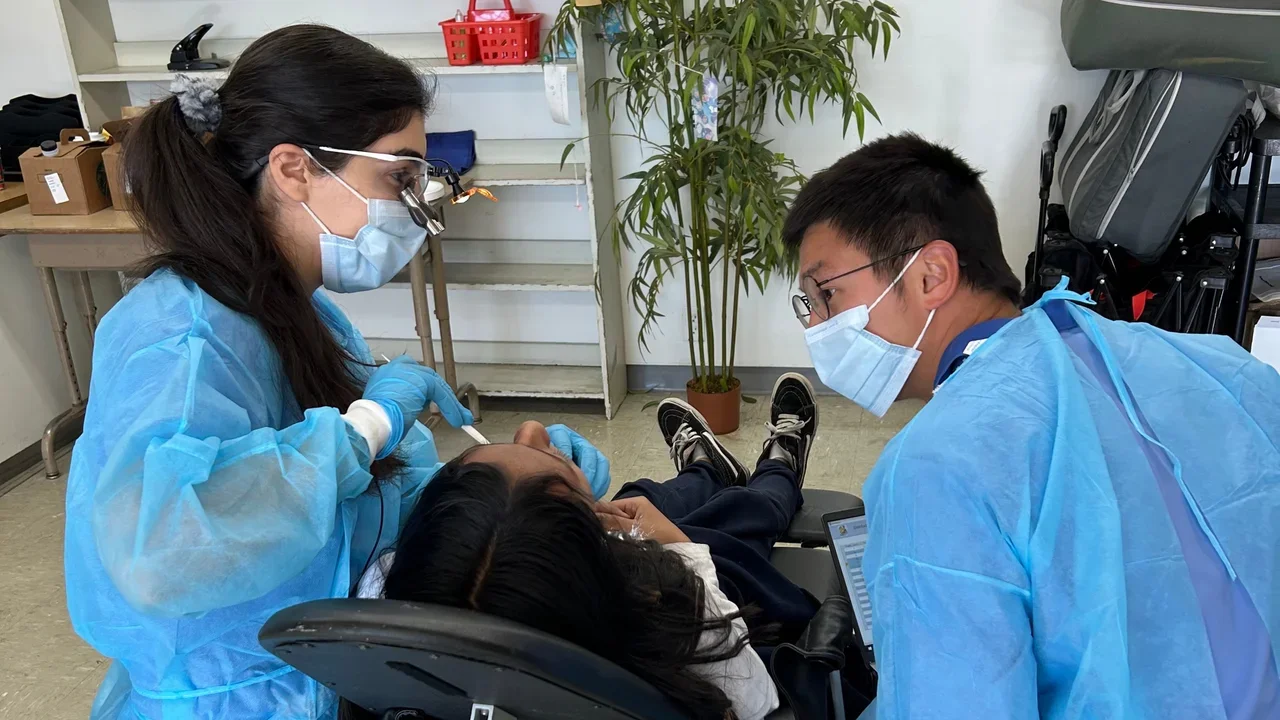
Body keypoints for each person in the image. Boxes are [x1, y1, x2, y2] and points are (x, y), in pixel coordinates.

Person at [63, 25, 608, 720]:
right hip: (227, 699)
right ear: (294, 170)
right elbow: (163, 551)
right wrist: (364, 429)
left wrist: (509, 488)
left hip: (318, 677)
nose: (416, 204)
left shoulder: (301, 311)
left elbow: (337, 508)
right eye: (399, 177)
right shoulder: (180, 337)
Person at [782, 132, 1280, 719]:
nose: (815, 325)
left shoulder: (934, 468)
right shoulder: (1215, 365)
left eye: (827, 293)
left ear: (931, 274)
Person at [358, 375, 823, 720]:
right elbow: (755, 696)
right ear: (595, 557)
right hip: (686, 571)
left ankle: (703, 468)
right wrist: (681, 550)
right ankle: (781, 462)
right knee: (736, 520)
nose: (532, 429)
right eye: (548, 459)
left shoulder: (389, 590)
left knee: (640, 493)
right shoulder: (676, 617)